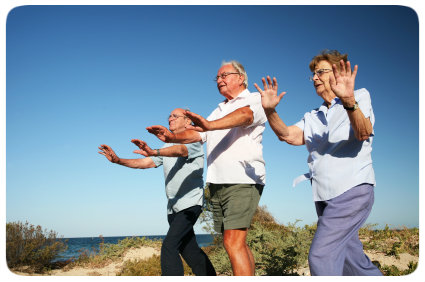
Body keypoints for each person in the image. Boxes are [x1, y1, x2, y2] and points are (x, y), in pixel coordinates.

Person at [254, 50, 382, 276]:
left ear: (337, 71)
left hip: (352, 189)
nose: (314, 78)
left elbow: (363, 132)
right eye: (312, 74)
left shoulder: (359, 95)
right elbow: (288, 135)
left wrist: (348, 101)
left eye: (320, 72)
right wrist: (270, 111)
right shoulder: (313, 115)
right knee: (352, 262)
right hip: (323, 196)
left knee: (321, 256)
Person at [146, 60, 267, 276]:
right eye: (217, 78)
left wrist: (209, 125)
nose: (219, 80)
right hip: (218, 183)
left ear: (241, 78)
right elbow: (198, 134)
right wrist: (172, 136)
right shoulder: (219, 109)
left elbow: (245, 116)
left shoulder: (254, 98)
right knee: (236, 242)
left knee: (233, 242)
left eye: (224, 75)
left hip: (242, 178)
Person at [98, 108, 216, 276]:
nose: (170, 118)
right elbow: (145, 162)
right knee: (190, 251)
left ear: (188, 121)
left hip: (190, 204)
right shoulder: (167, 146)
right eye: (169, 116)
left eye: (175, 116)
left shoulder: (193, 140)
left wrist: (155, 151)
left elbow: (181, 150)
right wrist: (118, 161)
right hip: (173, 208)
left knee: (169, 246)